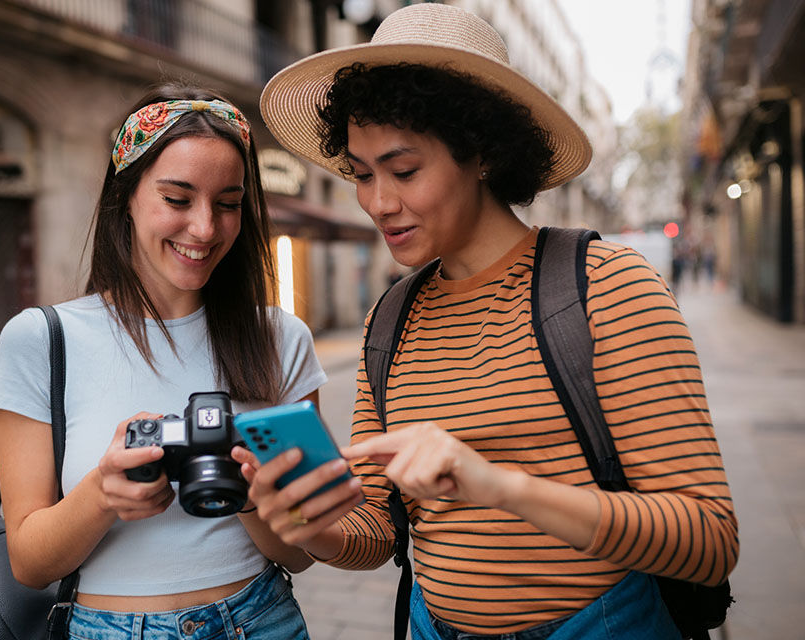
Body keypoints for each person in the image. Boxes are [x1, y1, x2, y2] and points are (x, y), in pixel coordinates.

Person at [232, 4, 739, 639]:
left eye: (404, 169)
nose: (378, 203)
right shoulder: (389, 320)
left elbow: (709, 538)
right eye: (361, 175)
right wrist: (311, 525)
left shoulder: (607, 286)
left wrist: (498, 486)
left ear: (483, 155)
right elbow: (377, 529)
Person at [0, 84, 326, 640]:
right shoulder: (41, 339)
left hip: (261, 618)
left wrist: (242, 489)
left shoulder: (281, 338)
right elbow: (28, 562)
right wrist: (102, 494)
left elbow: (303, 553)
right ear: (126, 197)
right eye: (177, 199)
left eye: (229, 204)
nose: (205, 229)